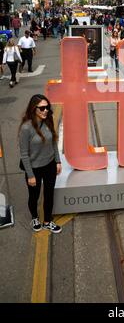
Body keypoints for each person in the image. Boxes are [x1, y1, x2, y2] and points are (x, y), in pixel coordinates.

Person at [19, 95, 62, 234]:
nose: (45, 111)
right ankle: (35, 218)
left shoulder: (48, 121)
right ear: (34, 108)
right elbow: (24, 154)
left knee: (49, 194)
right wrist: (30, 175)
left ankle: (48, 221)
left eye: (47, 107)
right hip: (34, 169)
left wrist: (57, 161)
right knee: (34, 196)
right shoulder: (26, 128)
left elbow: (53, 142)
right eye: (42, 108)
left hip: (49, 165)